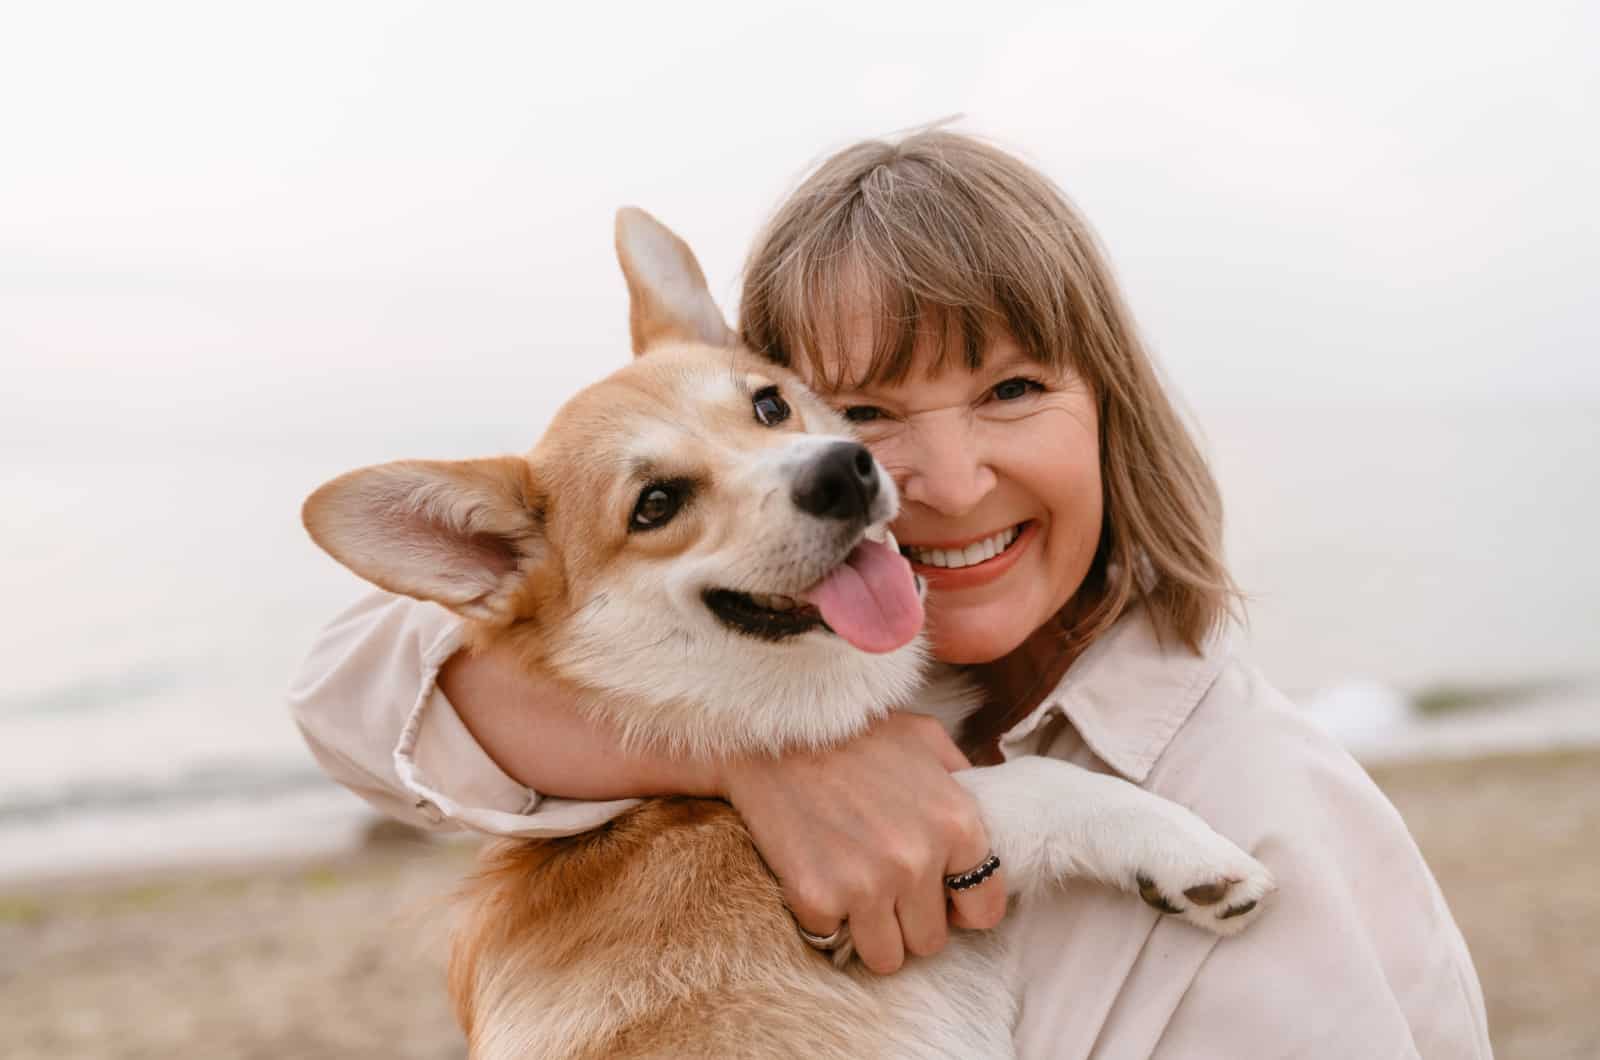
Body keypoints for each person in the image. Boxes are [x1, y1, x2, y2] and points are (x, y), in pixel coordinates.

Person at [289, 129, 1490, 1057]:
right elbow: (345, 687)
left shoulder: (1266, 812)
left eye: (1013, 389)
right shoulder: (696, 705)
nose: (942, 479)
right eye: (858, 412)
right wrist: (740, 759)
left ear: (1113, 402)